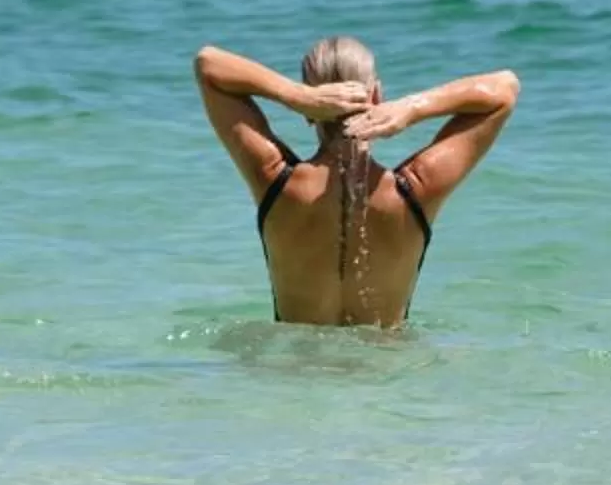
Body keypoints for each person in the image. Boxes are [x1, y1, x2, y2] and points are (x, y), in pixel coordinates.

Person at [193, 36, 519, 327]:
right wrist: (411, 109)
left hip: (294, 369)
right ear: (376, 95)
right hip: (387, 371)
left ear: (308, 111)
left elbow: (208, 64)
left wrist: (295, 95)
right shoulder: (416, 188)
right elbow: (504, 89)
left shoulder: (275, 180)